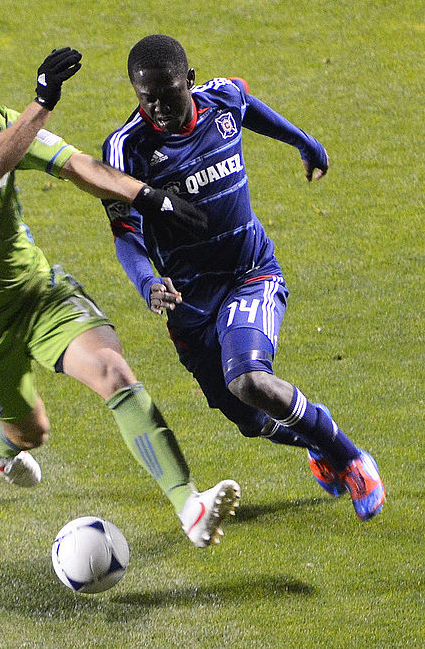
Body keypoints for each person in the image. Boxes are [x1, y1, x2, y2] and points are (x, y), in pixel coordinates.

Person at [0, 16, 241, 549]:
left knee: (115, 373)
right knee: (32, 433)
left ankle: (189, 506)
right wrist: (41, 103)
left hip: (36, 292)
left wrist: (148, 196)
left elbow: (76, 163)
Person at [102, 34, 385, 521]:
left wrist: (305, 141)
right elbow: (126, 231)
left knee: (251, 380)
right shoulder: (127, 148)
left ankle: (352, 458)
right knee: (249, 418)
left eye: (169, 93)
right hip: (190, 303)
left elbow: (247, 104)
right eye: (147, 97)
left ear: (188, 80)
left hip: (249, 274)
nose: (160, 107)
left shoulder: (219, 99)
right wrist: (147, 281)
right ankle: (321, 442)